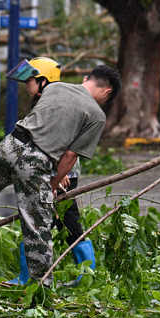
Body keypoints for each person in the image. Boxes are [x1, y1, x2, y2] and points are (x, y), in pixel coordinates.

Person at [0, 63, 122, 287]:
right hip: (37, 163)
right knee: (38, 227)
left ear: (86, 78)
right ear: (107, 92)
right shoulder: (96, 114)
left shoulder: (54, 87)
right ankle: (39, 290)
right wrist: (50, 186)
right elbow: (70, 156)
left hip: (10, 146)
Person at [17, 57, 93, 286]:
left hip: (60, 175)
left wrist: (59, 173)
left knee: (50, 222)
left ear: (44, 80)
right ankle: (85, 275)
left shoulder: (55, 103)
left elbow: (64, 139)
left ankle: (84, 276)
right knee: (57, 222)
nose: (26, 84)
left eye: (30, 80)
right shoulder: (44, 101)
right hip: (51, 173)